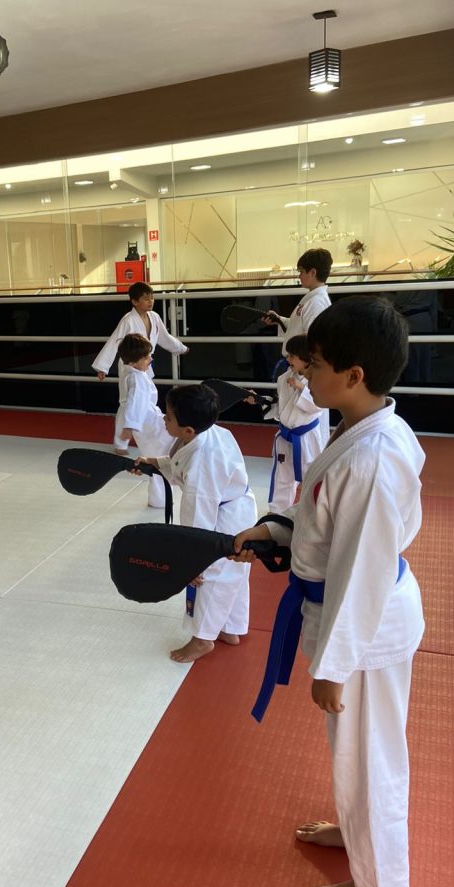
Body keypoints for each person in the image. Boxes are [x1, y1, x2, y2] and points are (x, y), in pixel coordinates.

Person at [232, 296, 424, 887]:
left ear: (353, 375)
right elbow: (323, 517)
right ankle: (354, 830)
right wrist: (273, 530)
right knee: (356, 753)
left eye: (313, 365)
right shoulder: (367, 428)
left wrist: (334, 664)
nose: (304, 375)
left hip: (365, 626)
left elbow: (361, 570)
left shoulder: (372, 457)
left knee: (372, 760)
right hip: (357, 611)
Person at [140, 383, 256, 663]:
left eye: (168, 417)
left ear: (188, 429)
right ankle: (230, 627)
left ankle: (203, 639)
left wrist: (190, 560)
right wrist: (154, 463)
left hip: (223, 519)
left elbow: (197, 519)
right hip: (236, 508)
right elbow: (180, 464)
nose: (164, 420)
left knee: (214, 574)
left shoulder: (204, 461)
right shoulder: (211, 432)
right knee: (235, 575)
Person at [92, 282, 188, 454]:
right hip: (129, 367)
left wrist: (180, 348)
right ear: (134, 301)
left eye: (152, 297)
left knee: (146, 402)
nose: (150, 301)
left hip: (145, 364)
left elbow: (164, 338)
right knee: (127, 403)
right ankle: (121, 442)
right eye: (145, 298)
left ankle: (147, 436)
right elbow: (115, 342)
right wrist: (103, 367)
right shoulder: (128, 320)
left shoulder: (155, 317)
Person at [259, 334, 327, 511]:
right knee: (282, 478)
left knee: (311, 476)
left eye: (292, 355)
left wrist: (301, 388)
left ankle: (314, 513)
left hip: (306, 437)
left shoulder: (318, 379)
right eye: (288, 355)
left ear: (306, 359)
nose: (287, 359)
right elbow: (280, 407)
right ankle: (277, 514)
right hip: (285, 435)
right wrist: (260, 401)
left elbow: (319, 406)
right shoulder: (284, 378)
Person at [116, 334, 174, 508]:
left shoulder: (130, 373)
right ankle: (160, 498)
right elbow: (135, 403)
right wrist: (129, 426)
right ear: (134, 362)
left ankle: (160, 497)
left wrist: (129, 427)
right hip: (150, 425)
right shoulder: (136, 378)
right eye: (146, 357)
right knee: (160, 458)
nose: (151, 358)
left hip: (145, 426)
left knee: (158, 457)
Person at [263, 248, 332, 357]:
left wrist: (301, 370)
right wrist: (279, 320)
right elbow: (298, 326)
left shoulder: (316, 302)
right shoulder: (312, 299)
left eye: (301, 271)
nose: (299, 276)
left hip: (302, 365)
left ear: (313, 272)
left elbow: (311, 341)